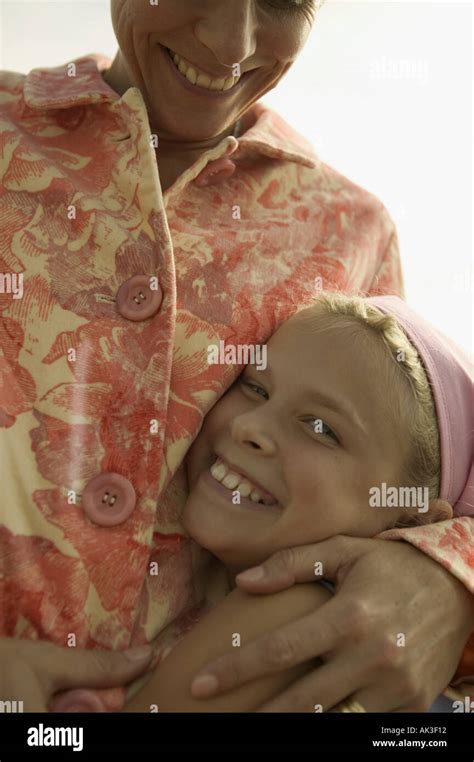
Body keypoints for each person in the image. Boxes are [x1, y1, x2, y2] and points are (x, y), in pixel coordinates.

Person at [0, 0, 472, 713]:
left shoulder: (351, 229)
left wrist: (452, 580)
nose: (231, 43)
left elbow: (412, 472)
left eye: (283, 0)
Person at [120, 292, 473, 711]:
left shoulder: (304, 610)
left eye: (321, 427)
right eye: (255, 388)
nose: (250, 426)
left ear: (414, 520)